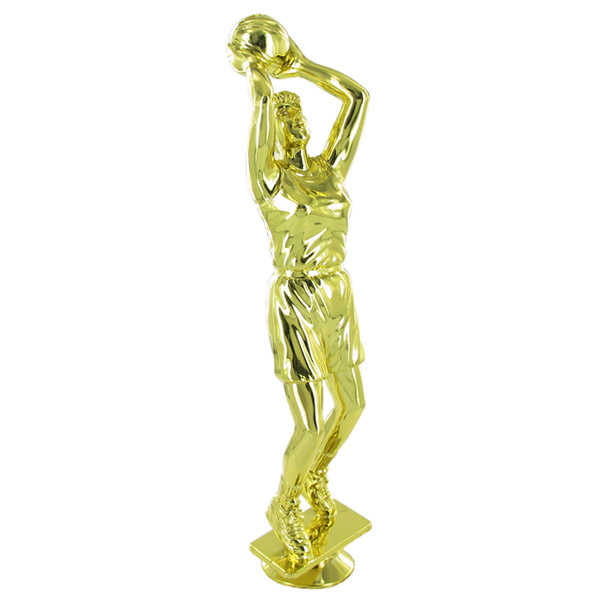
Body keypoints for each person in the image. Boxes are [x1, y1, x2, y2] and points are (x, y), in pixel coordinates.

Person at [228, 15, 370, 567]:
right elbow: (263, 103)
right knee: (310, 422)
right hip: (296, 299)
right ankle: (284, 503)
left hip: (337, 293)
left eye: (298, 115)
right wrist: (258, 74)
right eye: (282, 120)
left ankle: (314, 478)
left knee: (353, 406)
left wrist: (303, 65)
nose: (293, 124)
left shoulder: (330, 173)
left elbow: (357, 98)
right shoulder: (271, 185)